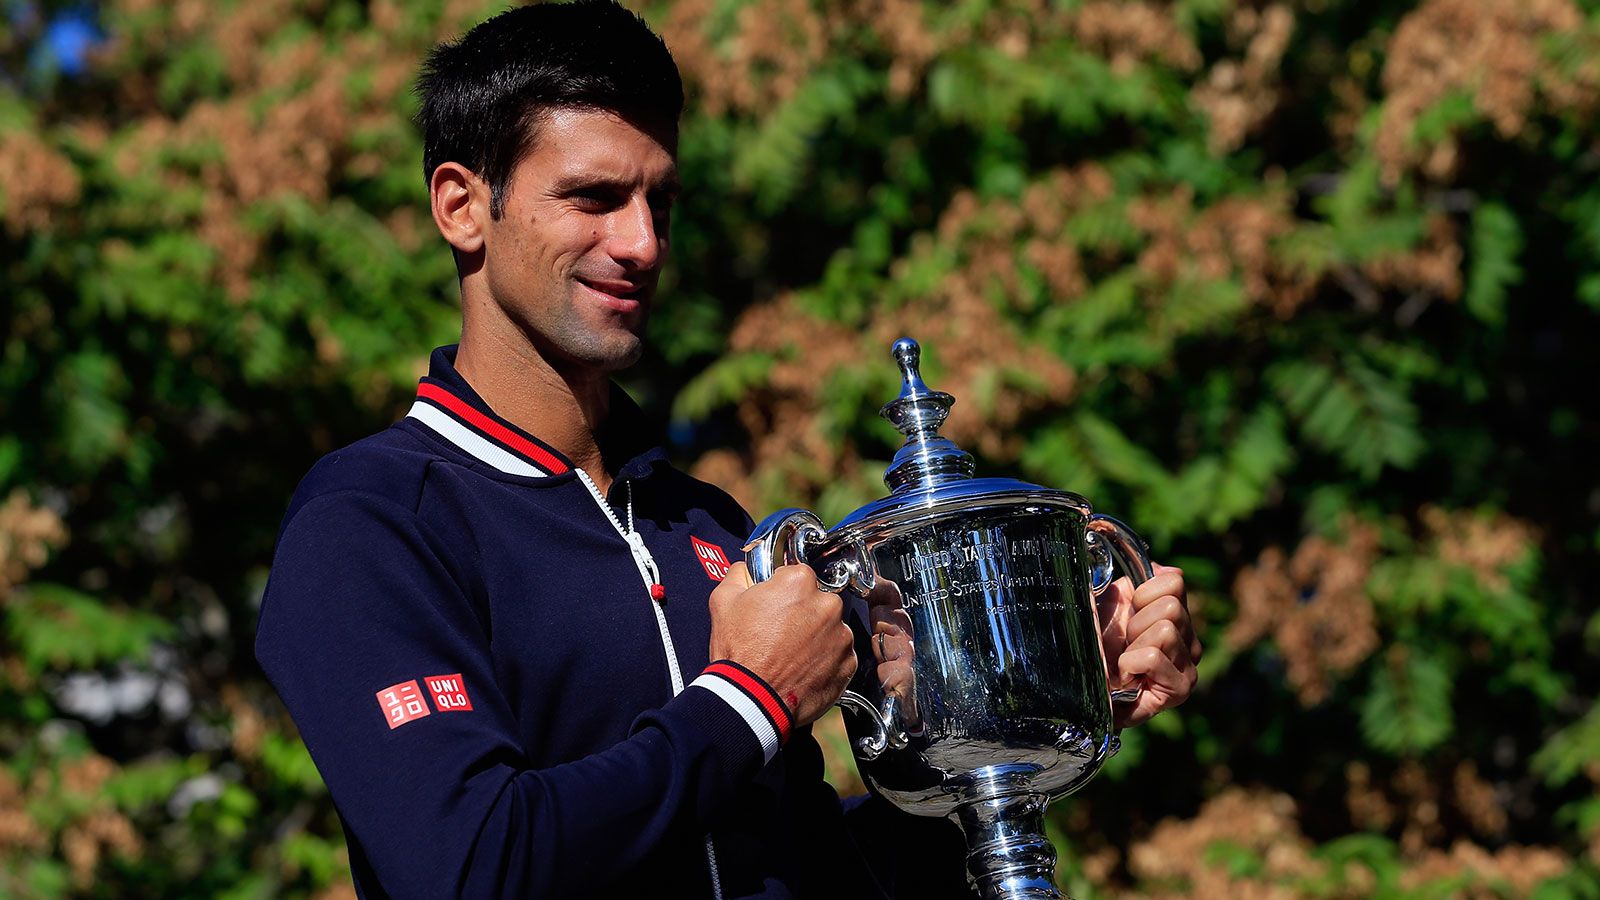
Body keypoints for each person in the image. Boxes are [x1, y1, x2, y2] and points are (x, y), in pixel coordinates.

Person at [254, 2, 1202, 897]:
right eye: (593, 198)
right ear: (462, 206)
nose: (641, 243)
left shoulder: (706, 523)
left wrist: (1032, 714)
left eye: (660, 202)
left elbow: (819, 872)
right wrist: (749, 699)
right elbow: (467, 865)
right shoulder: (371, 521)